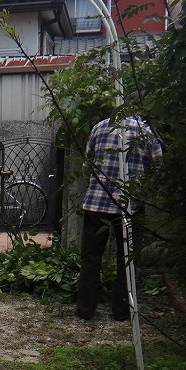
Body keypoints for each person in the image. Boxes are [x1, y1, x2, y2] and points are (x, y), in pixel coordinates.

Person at [75, 116, 162, 321]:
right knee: (127, 261)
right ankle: (122, 311)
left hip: (97, 203)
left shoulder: (99, 127)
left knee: (90, 258)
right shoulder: (146, 132)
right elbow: (158, 167)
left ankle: (85, 310)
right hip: (130, 206)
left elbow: (87, 164)